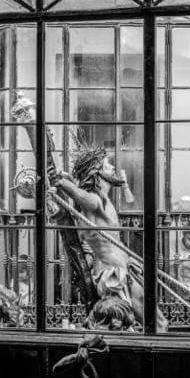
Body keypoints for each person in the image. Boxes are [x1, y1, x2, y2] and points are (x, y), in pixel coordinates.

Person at [49, 142, 169, 332]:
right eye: (107, 164)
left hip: (124, 268)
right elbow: (83, 196)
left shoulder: (104, 200)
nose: (112, 167)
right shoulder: (94, 201)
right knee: (155, 323)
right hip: (113, 275)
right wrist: (62, 182)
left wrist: (68, 180)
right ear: (97, 172)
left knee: (155, 322)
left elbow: (81, 194)